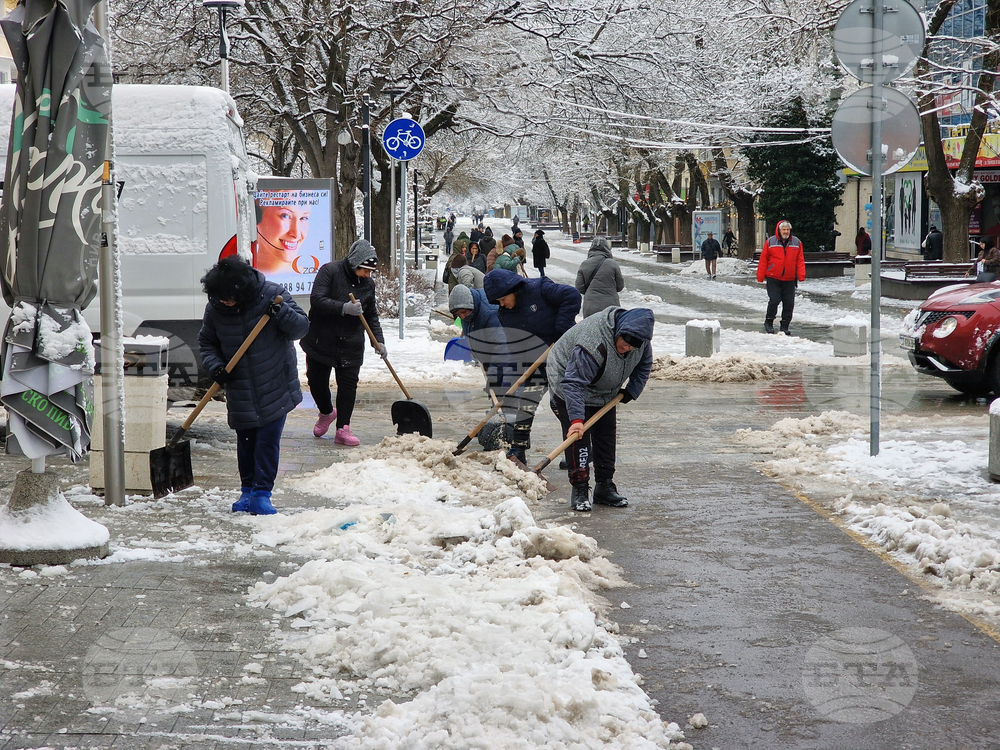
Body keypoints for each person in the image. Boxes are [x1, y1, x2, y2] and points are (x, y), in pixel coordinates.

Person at [198, 256, 309, 515]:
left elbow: (301, 328)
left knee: (267, 441)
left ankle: (262, 493)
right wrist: (215, 367)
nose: (224, 302)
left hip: (275, 383)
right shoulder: (215, 308)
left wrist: (280, 313)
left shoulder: (273, 295)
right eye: (219, 297)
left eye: (228, 297)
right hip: (239, 386)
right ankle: (246, 491)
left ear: (243, 290)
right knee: (246, 442)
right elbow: (207, 343)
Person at [548, 307, 653, 512]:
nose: (625, 351)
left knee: (606, 434)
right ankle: (579, 488)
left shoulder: (640, 340)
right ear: (618, 332)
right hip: (568, 380)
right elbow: (574, 383)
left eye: (630, 349)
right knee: (579, 437)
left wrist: (632, 390)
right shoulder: (593, 341)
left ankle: (604, 486)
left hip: (603, 387)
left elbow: (644, 364)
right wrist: (576, 420)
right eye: (623, 347)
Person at [483, 268, 582, 464]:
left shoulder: (540, 288)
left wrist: (561, 332)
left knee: (561, 404)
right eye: (499, 303)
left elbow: (572, 296)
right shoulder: (505, 314)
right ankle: (518, 450)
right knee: (526, 403)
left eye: (503, 300)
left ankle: (578, 448)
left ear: (513, 289)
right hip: (536, 359)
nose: (502, 305)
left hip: (563, 355)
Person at [300, 239, 386, 446]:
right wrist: (343, 308)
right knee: (316, 381)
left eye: (370, 272)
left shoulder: (368, 284)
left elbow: (371, 315)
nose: (368, 275)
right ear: (355, 263)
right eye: (365, 270)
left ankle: (343, 428)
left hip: (351, 341)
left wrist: (379, 341)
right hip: (322, 339)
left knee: (348, 385)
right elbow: (317, 300)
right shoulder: (330, 271)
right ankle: (327, 412)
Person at [448, 283, 508, 387]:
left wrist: (494, 378)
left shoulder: (490, 313)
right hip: (491, 358)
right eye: (458, 315)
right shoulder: (469, 311)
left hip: (509, 362)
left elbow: (501, 349)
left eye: (463, 312)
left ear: (471, 305)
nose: (462, 317)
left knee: (508, 396)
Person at [756, 220, 805, 336]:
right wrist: (760, 275)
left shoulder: (797, 242)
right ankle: (769, 322)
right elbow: (764, 259)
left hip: (789, 279)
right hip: (773, 277)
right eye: (784, 229)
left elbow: (800, 260)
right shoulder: (771, 242)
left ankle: (785, 326)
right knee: (775, 299)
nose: (786, 232)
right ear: (779, 230)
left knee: (789, 303)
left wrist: (801, 274)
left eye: (788, 229)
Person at [575, 237, 625, 318]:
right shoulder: (613, 264)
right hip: (611, 305)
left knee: (591, 329)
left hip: (590, 305)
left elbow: (579, 287)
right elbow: (620, 286)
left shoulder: (584, 264)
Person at [255, 204, 311, 275]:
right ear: (256, 218)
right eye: (285, 216)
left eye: (303, 218)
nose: (297, 234)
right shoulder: (241, 278)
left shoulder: (316, 279)